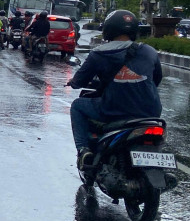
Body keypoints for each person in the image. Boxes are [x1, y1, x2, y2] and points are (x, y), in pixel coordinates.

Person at [66, 10, 162, 171]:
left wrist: (72, 82)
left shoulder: (99, 53)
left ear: (108, 29)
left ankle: (84, 151)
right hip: (151, 111)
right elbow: (157, 78)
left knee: (77, 105)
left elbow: (79, 81)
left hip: (115, 109)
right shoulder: (149, 50)